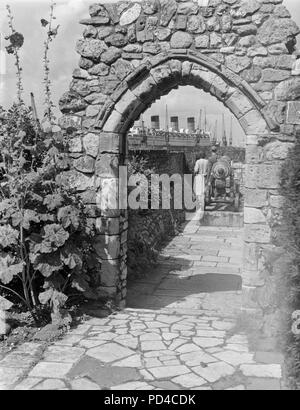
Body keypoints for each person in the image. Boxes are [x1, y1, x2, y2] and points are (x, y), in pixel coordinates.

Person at [193, 152, 209, 221]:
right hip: (205, 177)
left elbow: (196, 170)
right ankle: (203, 208)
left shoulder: (198, 161)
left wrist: (195, 173)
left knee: (198, 193)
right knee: (204, 192)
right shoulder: (207, 161)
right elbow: (208, 170)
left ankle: (199, 209)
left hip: (199, 177)